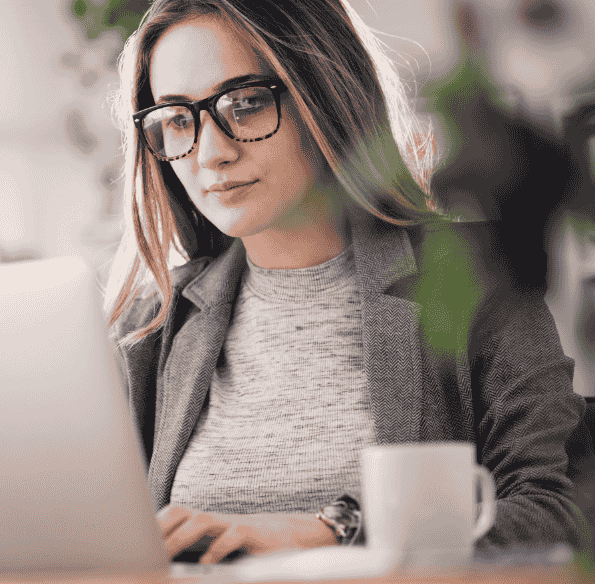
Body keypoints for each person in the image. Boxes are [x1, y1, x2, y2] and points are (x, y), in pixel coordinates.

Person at [103, 0, 591, 564]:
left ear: (326, 95)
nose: (212, 153)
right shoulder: (155, 326)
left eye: (246, 105)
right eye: (178, 120)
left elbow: (554, 515)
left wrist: (334, 529)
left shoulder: (474, 278)